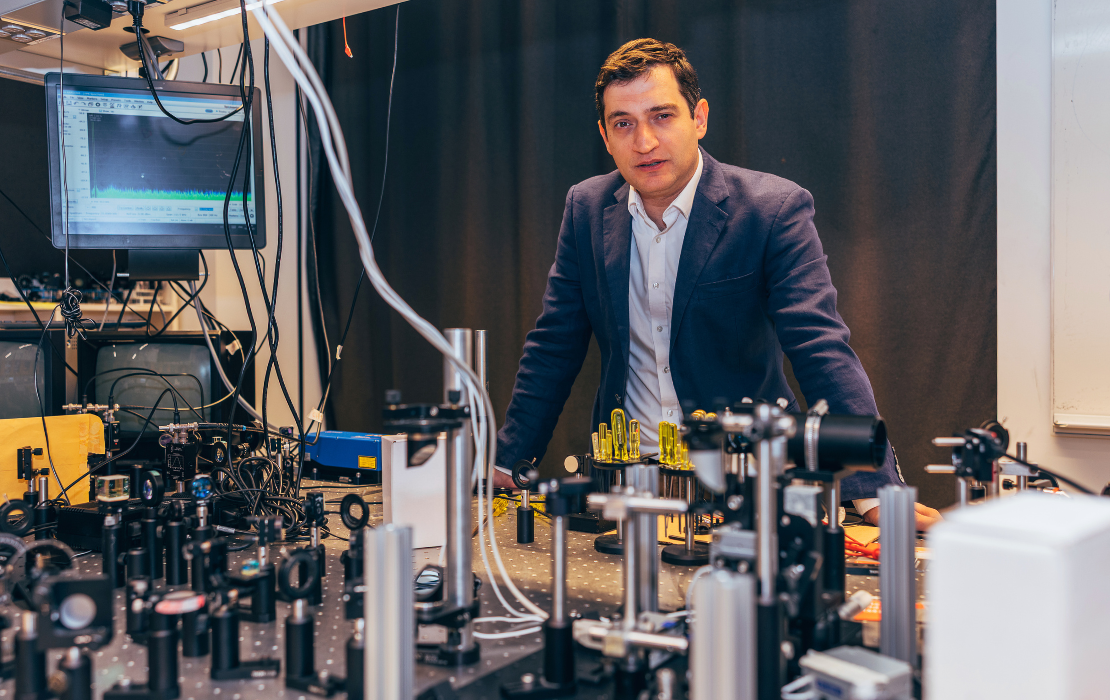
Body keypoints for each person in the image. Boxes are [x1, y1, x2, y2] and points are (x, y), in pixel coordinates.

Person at [493, 38, 941, 531]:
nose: (643, 141)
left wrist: (871, 490)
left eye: (662, 116)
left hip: (749, 483)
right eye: (624, 123)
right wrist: (507, 463)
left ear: (699, 118)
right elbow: (554, 344)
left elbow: (819, 347)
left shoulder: (772, 209)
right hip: (628, 485)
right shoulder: (586, 207)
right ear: (605, 135)